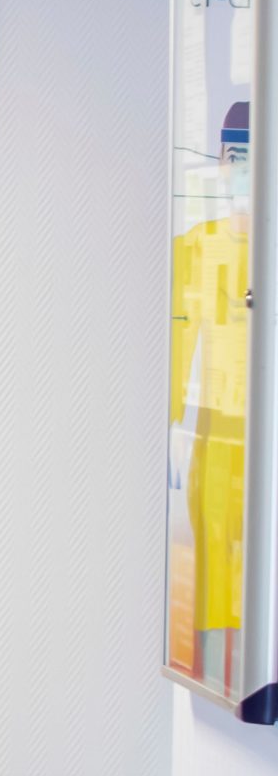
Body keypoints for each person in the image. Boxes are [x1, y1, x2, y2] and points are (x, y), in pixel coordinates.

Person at [171, 99, 250, 689]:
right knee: (214, 579)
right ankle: (217, 692)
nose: (239, 169)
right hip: (217, 432)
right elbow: (179, 345)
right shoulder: (197, 245)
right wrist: (170, 429)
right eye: (232, 156)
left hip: (261, 435)